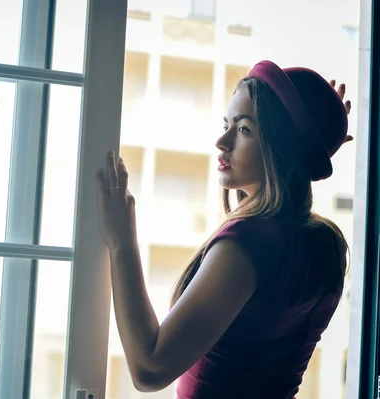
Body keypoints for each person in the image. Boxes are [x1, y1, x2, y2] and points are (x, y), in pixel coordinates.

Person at [95, 60, 354, 399]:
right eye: (226, 124)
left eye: (244, 129)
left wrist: (122, 239)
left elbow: (149, 369)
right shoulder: (328, 246)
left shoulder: (247, 244)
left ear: (283, 147)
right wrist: (318, 136)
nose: (222, 141)